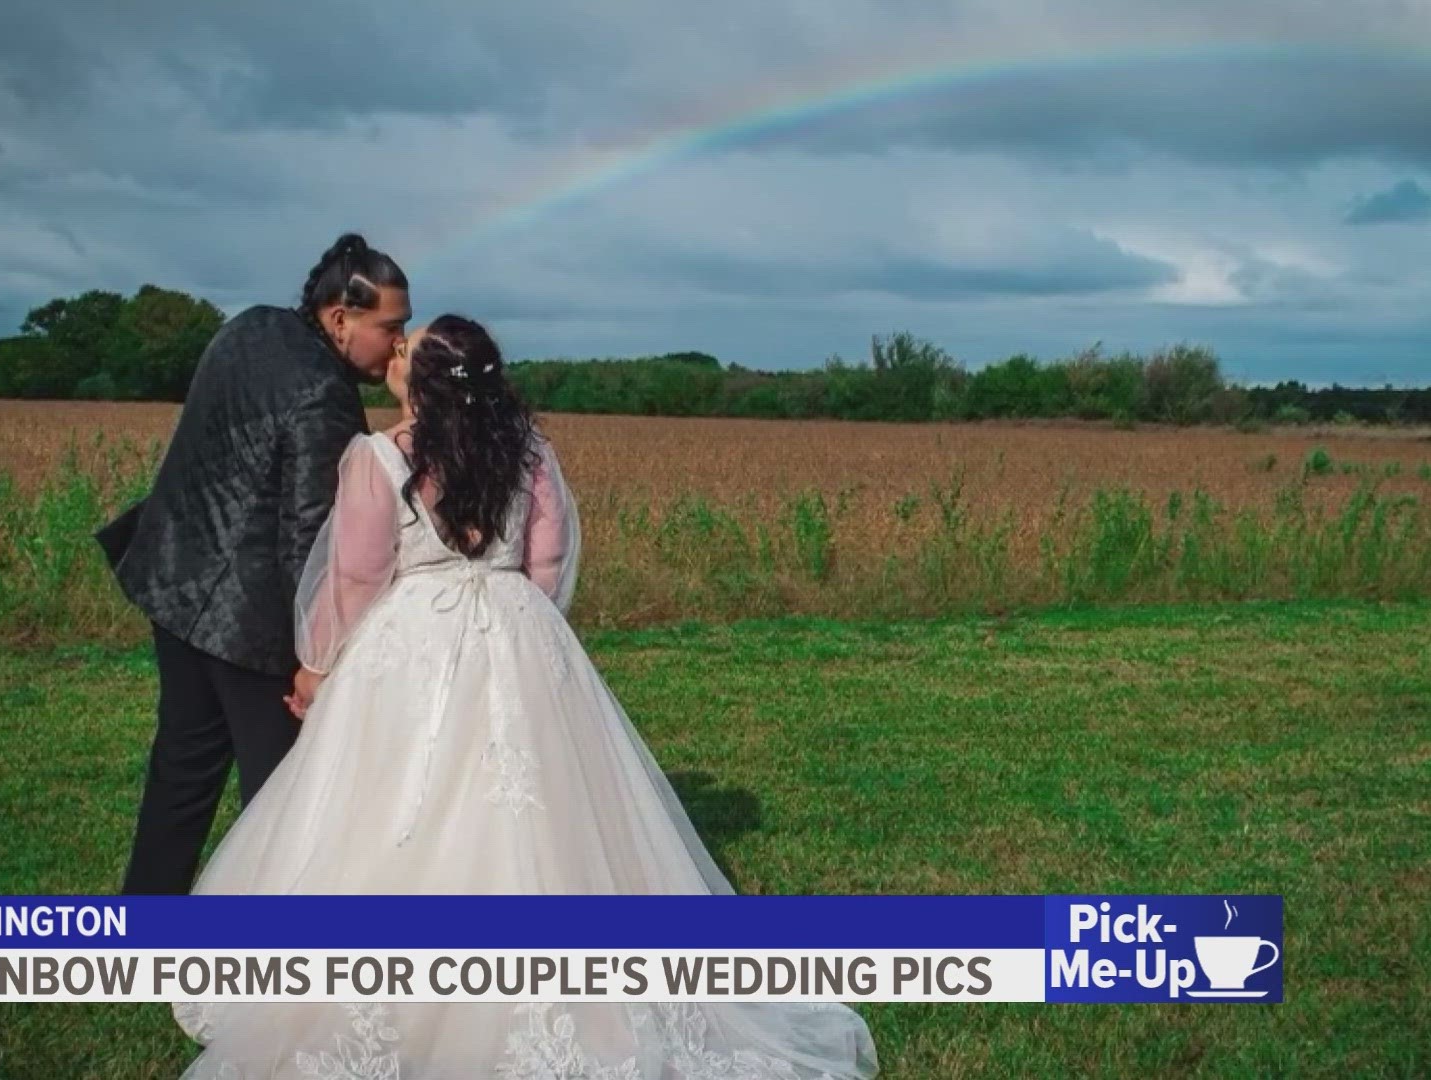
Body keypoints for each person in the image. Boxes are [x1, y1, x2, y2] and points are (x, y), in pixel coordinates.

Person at [171, 314, 879, 1079]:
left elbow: (355, 577)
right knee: (542, 809)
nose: (397, 357)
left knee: (393, 807)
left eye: (408, 351)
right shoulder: (530, 454)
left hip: (413, 644)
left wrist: (319, 664)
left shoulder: (379, 458)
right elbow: (548, 564)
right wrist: (523, 639)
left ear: (427, 380)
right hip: (517, 635)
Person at [96, 234, 412, 896]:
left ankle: (142, 919)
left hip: (174, 579)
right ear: (339, 317)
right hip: (250, 626)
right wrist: (320, 656)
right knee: (281, 792)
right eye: (390, 326)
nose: (398, 343)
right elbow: (310, 537)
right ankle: (279, 941)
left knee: (182, 765)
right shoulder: (327, 395)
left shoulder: (249, 328)